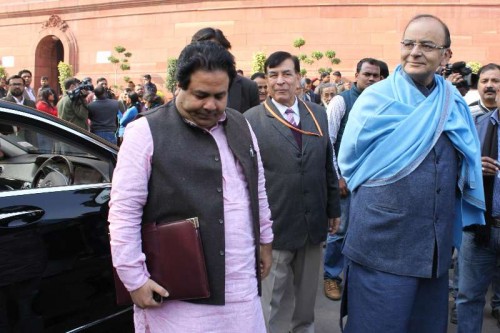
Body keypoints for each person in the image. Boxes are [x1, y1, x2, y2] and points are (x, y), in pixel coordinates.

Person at [108, 41, 273, 332]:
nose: (211, 105)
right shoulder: (144, 132)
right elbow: (124, 211)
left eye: (220, 96)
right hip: (177, 294)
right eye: (201, 95)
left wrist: (265, 240)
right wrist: (133, 278)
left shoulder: (241, 125)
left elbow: (256, 188)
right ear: (178, 87)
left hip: (242, 289)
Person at [337, 14, 485, 332]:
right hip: (380, 246)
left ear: (446, 55)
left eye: (427, 45)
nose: (415, 51)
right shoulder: (376, 101)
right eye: (409, 43)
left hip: (434, 250)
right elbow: (350, 164)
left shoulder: (454, 104)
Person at [245, 51, 341, 333]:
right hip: (274, 227)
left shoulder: (318, 114)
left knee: (305, 301)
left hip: (313, 225)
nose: (280, 81)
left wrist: (333, 207)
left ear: (298, 78)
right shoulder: (251, 120)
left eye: (286, 74)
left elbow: (327, 163)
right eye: (273, 75)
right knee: (270, 302)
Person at [323, 58, 381, 301]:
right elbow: (328, 141)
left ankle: (356, 280)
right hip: (345, 180)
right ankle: (331, 276)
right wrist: (337, 177)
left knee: (366, 230)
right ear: (356, 74)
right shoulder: (340, 101)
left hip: (370, 180)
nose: (371, 79)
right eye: (366, 74)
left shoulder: (381, 103)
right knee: (340, 230)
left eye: (375, 75)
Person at [457, 86, 500, 332]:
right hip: (479, 226)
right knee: (468, 297)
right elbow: (450, 170)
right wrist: (471, 168)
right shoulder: (474, 125)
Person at [191, 27, 260, 113]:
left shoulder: (248, 87)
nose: (209, 55)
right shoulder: (185, 82)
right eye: (204, 50)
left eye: (215, 49)